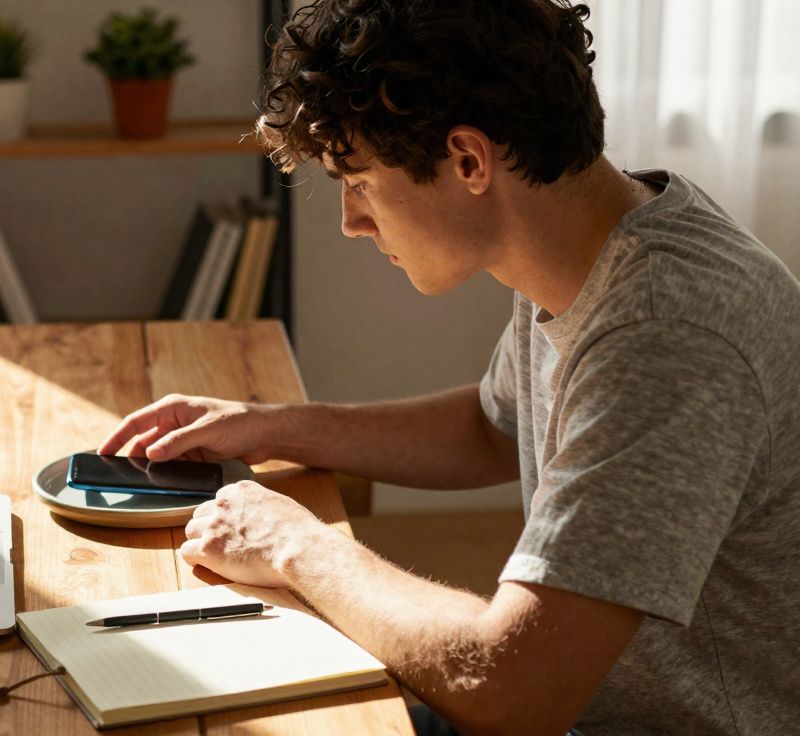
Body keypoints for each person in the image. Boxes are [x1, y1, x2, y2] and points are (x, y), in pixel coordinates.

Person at [97, 1, 800, 733]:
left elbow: (509, 686)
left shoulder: (665, 334)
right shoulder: (592, 239)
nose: (351, 221)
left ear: (469, 160)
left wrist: (293, 543)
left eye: (360, 179)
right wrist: (271, 427)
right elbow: (490, 427)